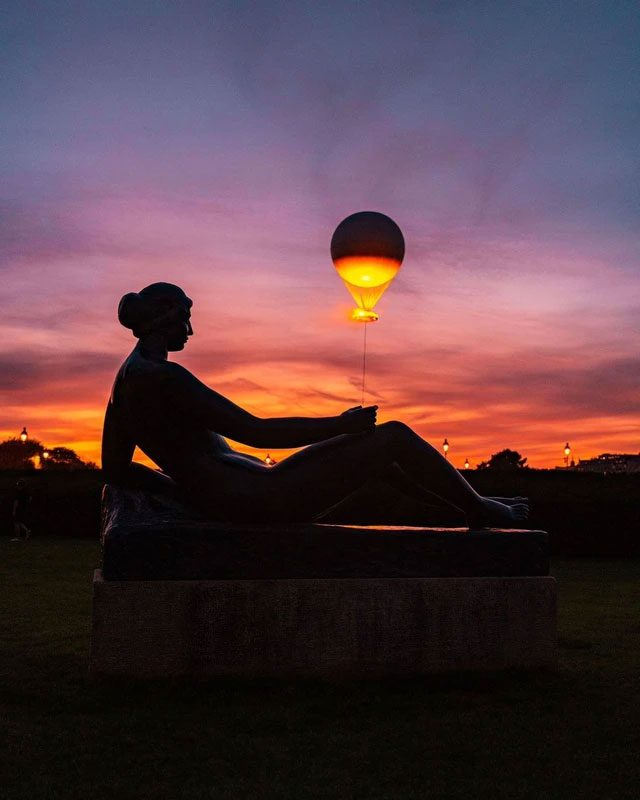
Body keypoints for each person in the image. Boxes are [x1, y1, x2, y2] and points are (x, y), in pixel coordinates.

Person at [102, 283, 529, 527]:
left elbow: (115, 468)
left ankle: (469, 506)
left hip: (247, 492)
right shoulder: (163, 378)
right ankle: (477, 509)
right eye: (184, 319)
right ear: (163, 318)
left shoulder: (126, 383)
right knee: (393, 438)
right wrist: (340, 425)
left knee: (382, 459)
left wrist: (184, 492)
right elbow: (255, 431)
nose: (191, 330)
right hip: (258, 501)